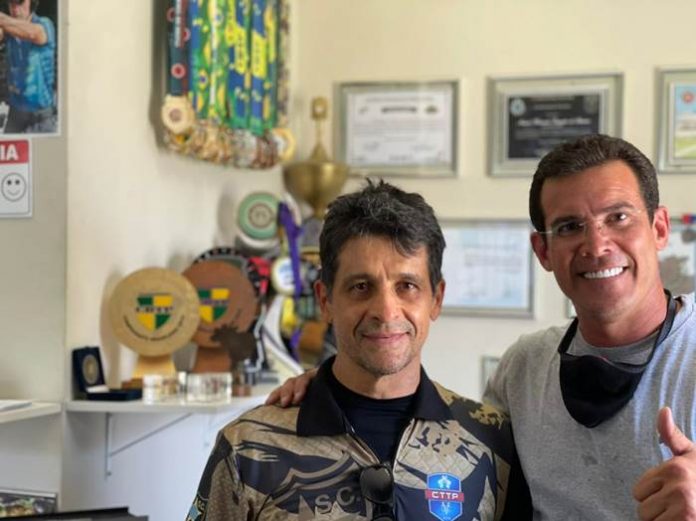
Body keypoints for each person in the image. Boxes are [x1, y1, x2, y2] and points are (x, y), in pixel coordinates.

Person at [268, 135, 696, 521]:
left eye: (618, 217)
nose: (597, 245)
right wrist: (331, 387)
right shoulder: (525, 368)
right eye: (569, 227)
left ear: (659, 228)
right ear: (543, 251)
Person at [187, 180, 531, 520]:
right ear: (325, 300)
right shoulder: (246, 448)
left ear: (436, 299)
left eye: (407, 286)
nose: (386, 311)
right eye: (361, 286)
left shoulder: (491, 442)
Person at [0, 0, 56, 133]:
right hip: (15, 114)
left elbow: (33, 33)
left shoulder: (44, 24)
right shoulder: (8, 28)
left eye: (20, 2)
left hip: (40, 117)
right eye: (11, 3)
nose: (15, 8)